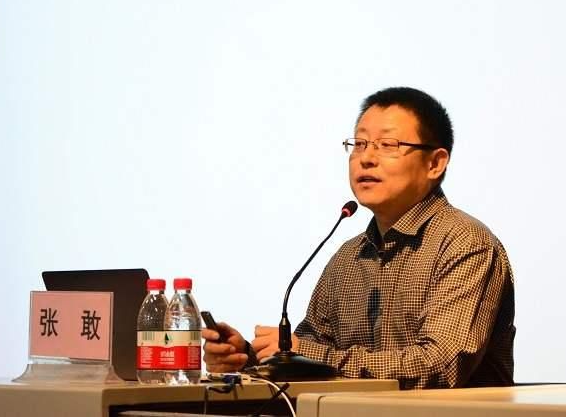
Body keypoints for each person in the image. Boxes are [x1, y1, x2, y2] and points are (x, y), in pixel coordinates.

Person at [202, 87, 515, 389]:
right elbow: (307, 356)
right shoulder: (349, 257)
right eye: (360, 144)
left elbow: (439, 366)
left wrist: (309, 354)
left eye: (388, 144)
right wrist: (246, 359)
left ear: (435, 163)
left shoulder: (465, 243)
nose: (366, 158)